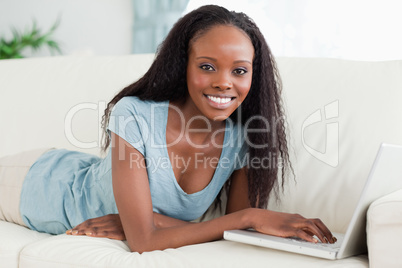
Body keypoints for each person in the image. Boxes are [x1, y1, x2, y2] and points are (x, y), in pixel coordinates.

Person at [0, 5, 336, 253]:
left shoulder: (244, 139)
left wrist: (143, 222)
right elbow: (144, 241)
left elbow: (234, 237)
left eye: (239, 71)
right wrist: (247, 217)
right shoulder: (134, 114)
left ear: (253, 75)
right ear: (184, 66)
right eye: (207, 67)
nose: (223, 83)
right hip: (38, 183)